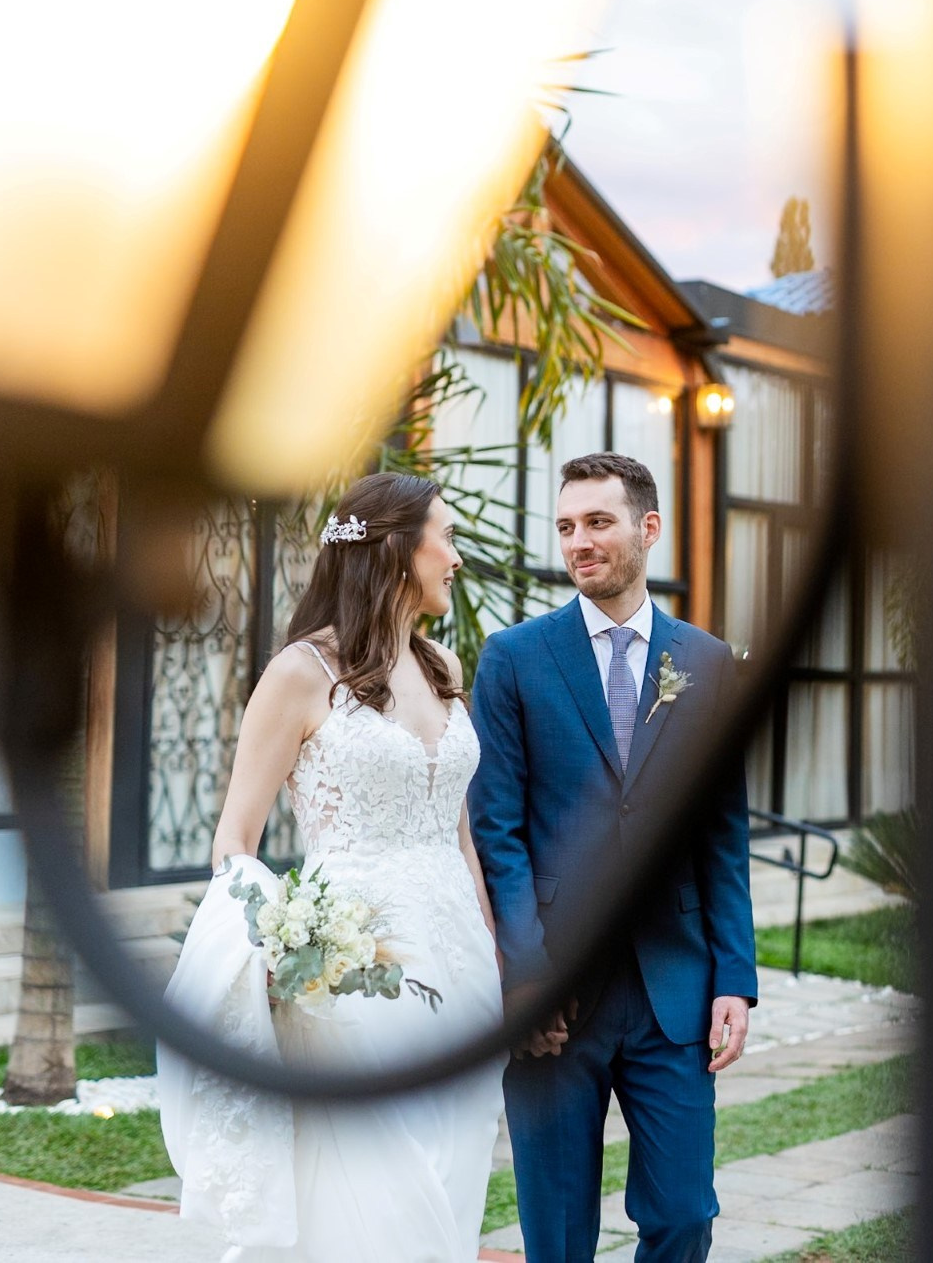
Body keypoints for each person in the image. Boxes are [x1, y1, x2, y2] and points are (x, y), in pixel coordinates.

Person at [158, 472, 505, 1262]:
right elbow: (234, 839)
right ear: (395, 549)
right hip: (355, 965)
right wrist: (287, 942)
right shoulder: (300, 674)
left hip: (461, 961)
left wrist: (490, 942)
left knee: (455, 1162)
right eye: (445, 537)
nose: (455, 557)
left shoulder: (444, 668)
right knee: (378, 1171)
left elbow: (457, 832)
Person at [470, 451, 757, 1263]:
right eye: (566, 527)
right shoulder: (515, 659)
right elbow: (499, 832)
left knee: (682, 1215)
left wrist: (735, 977)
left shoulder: (704, 663)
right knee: (557, 1232)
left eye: (598, 522)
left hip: (675, 988)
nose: (579, 542)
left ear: (648, 529)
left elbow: (721, 833)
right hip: (558, 991)